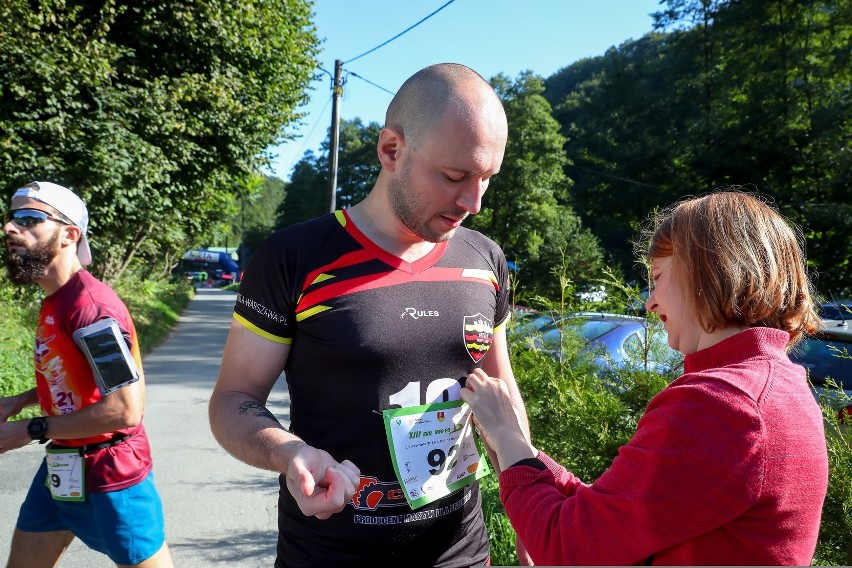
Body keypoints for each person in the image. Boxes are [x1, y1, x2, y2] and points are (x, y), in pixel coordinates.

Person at [209, 63, 529, 567]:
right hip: (328, 554)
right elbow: (232, 399)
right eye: (454, 176)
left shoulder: (484, 260)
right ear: (391, 150)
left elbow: (502, 398)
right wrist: (288, 452)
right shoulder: (295, 257)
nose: (473, 201)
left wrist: (530, 527)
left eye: (487, 178)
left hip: (460, 552)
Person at [461, 190, 829, 565]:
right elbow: (616, 515)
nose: (650, 302)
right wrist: (527, 456)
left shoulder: (723, 403)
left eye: (657, 278)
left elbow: (571, 549)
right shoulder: (780, 386)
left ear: (707, 268)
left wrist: (506, 437)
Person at [0, 181, 173, 568]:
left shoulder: (91, 311)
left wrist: (27, 430)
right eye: (12, 218)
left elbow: (125, 410)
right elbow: (74, 375)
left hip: (112, 475)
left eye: (29, 219)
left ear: (69, 234)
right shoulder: (57, 299)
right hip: (62, 469)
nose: (11, 228)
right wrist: (19, 400)